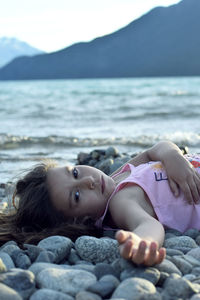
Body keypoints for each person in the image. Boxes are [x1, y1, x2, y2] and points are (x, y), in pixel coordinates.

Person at [0, 141, 200, 267]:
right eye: (77, 195)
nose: (88, 181)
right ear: (80, 221)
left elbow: (154, 151)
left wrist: (172, 156)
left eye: (75, 173)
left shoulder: (117, 177)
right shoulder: (120, 203)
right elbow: (149, 225)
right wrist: (141, 244)